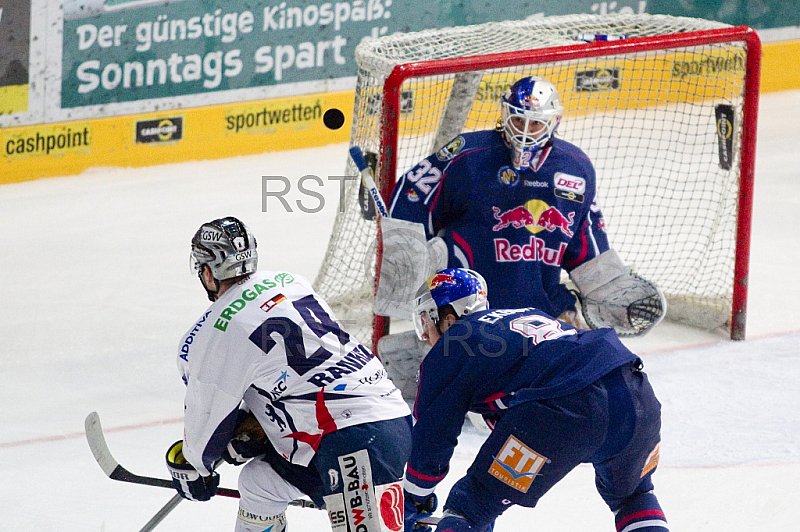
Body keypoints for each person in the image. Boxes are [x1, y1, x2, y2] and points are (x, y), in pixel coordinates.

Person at [166, 216, 412, 532]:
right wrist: (260, 426)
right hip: (384, 419)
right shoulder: (290, 282)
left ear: (209, 272)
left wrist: (195, 467)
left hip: (351, 441)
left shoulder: (213, 331)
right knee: (260, 484)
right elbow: (291, 372)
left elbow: (207, 424)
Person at [402, 268, 669, 532]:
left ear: (448, 319)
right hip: (635, 392)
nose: (424, 335)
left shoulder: (451, 345)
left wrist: (414, 497)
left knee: (470, 506)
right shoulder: (523, 316)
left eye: (425, 321)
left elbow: (432, 439)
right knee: (634, 496)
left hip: (566, 406)